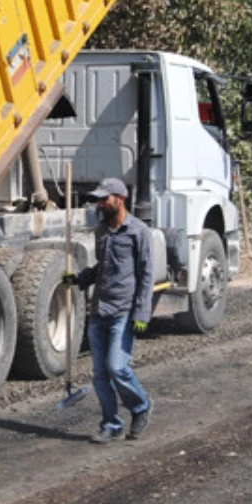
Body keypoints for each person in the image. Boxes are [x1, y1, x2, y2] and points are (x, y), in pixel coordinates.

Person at [73, 177, 153, 443]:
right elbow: (103, 268)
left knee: (117, 367)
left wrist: (141, 314)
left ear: (120, 199)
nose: (99, 204)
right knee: (99, 374)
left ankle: (140, 407)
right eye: (98, 200)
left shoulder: (139, 231)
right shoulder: (101, 232)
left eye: (104, 199)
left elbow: (146, 274)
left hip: (123, 310)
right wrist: (81, 278)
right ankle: (111, 424)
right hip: (100, 309)